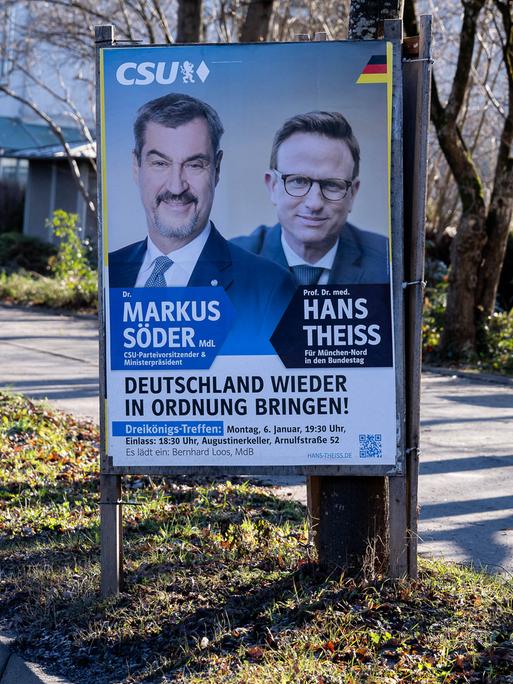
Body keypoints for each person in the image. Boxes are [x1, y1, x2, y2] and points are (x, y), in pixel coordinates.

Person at [108, 93, 296, 353]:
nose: (176, 186)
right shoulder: (109, 273)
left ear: (216, 170)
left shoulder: (270, 288)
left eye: (195, 165)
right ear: (136, 166)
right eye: (160, 163)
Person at [232, 111, 390, 286]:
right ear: (273, 186)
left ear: (352, 193)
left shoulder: (387, 264)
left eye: (332, 184)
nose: (314, 204)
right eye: (298, 181)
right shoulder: (230, 264)